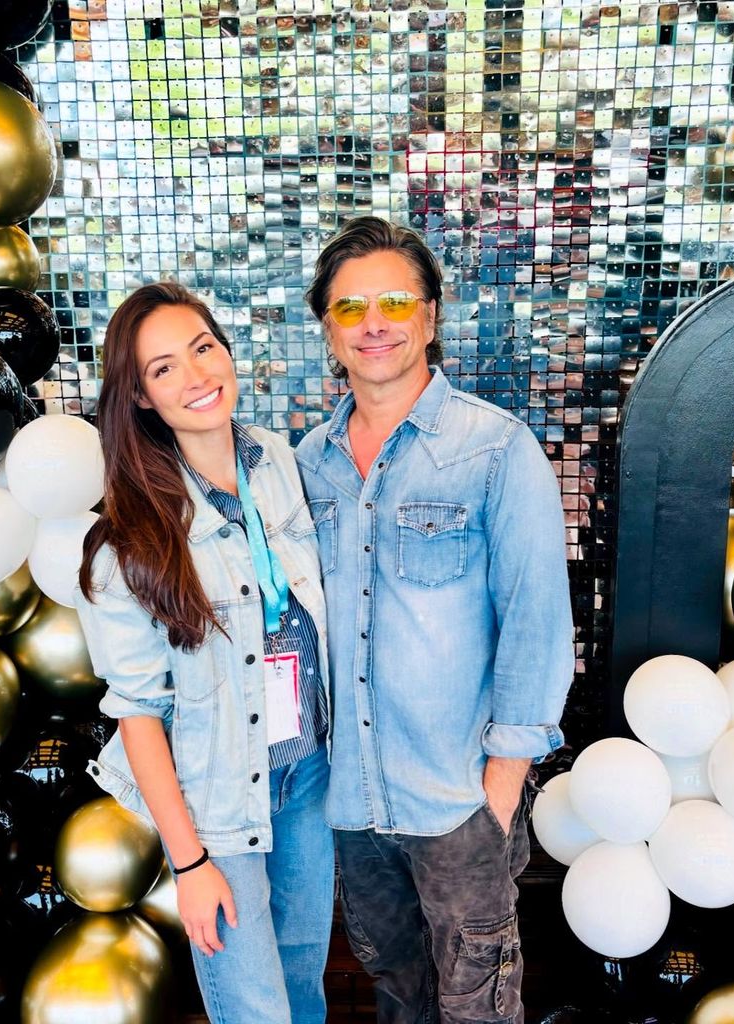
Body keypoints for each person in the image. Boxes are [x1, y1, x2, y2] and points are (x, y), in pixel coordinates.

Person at [296, 217, 575, 1024]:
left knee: (477, 1003)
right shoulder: (306, 464)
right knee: (395, 992)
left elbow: (536, 623)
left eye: (393, 301)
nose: (373, 323)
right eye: (350, 308)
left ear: (430, 316)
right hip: (350, 803)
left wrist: (499, 789)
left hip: (457, 801)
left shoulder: (495, 449)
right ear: (328, 327)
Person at [73, 281, 333, 1024]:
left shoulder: (278, 460)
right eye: (163, 369)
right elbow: (139, 716)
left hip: (306, 779)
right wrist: (190, 864)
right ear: (142, 399)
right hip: (219, 810)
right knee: (256, 1012)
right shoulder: (126, 544)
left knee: (304, 993)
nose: (195, 376)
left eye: (202, 348)